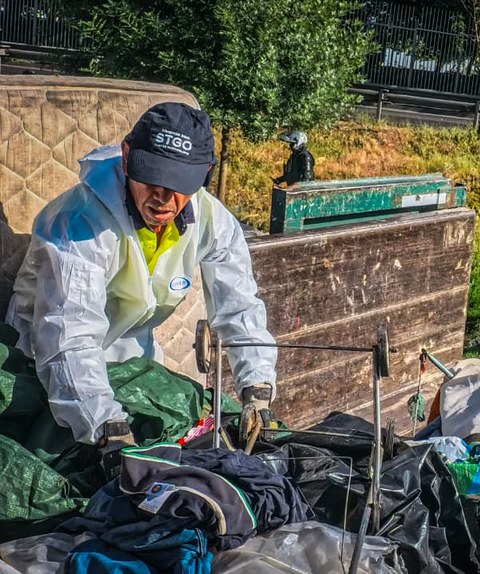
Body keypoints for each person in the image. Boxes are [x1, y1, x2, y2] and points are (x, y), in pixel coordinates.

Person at [5, 102, 278, 471]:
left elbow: (240, 307)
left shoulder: (214, 222)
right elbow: (68, 336)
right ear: (127, 155)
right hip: (47, 370)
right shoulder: (80, 224)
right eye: (151, 177)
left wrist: (256, 388)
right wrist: (106, 426)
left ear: (205, 175)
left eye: (178, 184)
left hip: (134, 369)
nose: (163, 198)